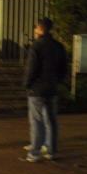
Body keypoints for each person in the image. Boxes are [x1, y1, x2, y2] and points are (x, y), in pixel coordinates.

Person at [24, 18, 67, 162]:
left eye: (36, 27)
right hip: (52, 87)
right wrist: (58, 81)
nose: (35, 30)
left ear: (40, 29)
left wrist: (27, 84)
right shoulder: (58, 46)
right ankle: (51, 150)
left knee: (37, 121)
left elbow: (32, 68)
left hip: (37, 89)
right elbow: (63, 68)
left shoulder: (36, 46)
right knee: (51, 120)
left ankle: (34, 152)